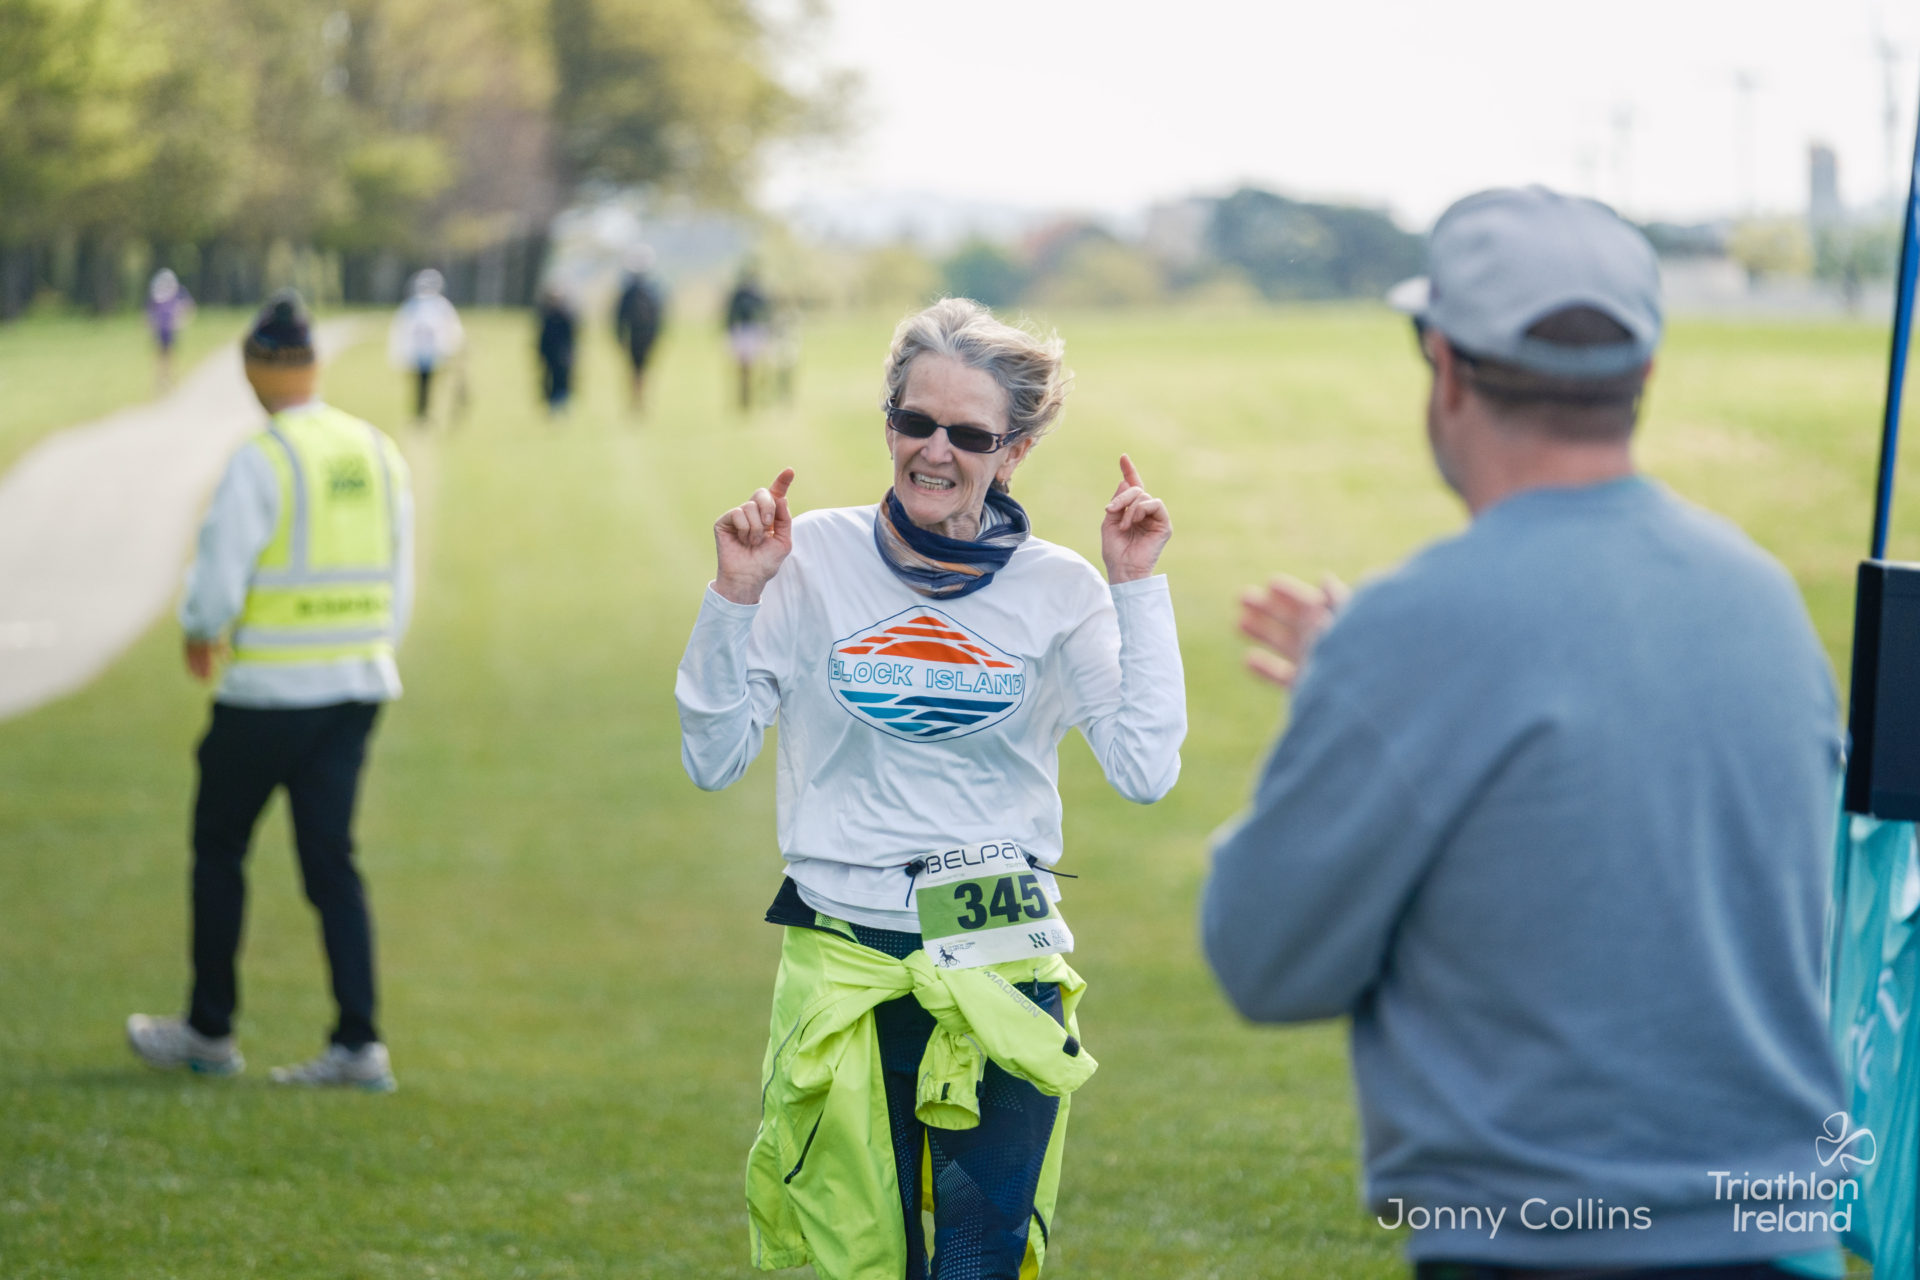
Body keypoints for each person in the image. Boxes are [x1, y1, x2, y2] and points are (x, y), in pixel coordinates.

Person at [1202, 186, 1847, 1278]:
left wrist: (1350, 694)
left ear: (1446, 364)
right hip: (1786, 1238)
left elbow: (1265, 960)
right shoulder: (1760, 594)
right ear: (1644, 373)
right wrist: (1369, 687)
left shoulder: (1413, 630)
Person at [676, 297, 1185, 1279]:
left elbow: (1145, 769)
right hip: (844, 961)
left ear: (1015, 450)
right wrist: (735, 594)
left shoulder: (1061, 587)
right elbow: (713, 756)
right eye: (916, 421)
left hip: (998, 953)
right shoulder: (807, 558)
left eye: (970, 433)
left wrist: (1136, 586)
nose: (935, 450)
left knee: (974, 1263)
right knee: (858, 1260)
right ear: (889, 424)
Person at [127, 289, 413, 1092]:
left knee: (220, 850)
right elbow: (399, 577)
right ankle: (358, 1043)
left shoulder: (264, 457)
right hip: (355, 688)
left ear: (255, 369)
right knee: (332, 862)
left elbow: (218, 582)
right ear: (315, 364)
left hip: (266, 694)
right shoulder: (375, 450)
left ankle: (209, 1031)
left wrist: (198, 629)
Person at [386, 268, 463, 424]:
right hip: (419, 354)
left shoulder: (436, 306)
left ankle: (423, 411)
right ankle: (421, 411)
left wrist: (451, 348)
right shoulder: (421, 306)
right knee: (421, 385)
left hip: (431, 353)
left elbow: (450, 329)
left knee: (426, 385)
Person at [613, 246, 665, 412]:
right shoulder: (629, 292)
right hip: (634, 336)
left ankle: (640, 401)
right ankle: (636, 401)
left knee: (642, 370)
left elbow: (658, 317)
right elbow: (620, 316)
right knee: (635, 370)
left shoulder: (651, 291)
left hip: (646, 336)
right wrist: (620, 336)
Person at [724, 262, 771, 411]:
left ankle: (758, 396)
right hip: (742, 332)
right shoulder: (739, 294)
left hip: (755, 331)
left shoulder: (757, 294)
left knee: (758, 368)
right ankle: (744, 398)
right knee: (743, 368)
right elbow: (731, 314)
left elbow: (765, 313)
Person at [146, 268, 195, 392]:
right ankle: (162, 381)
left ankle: (169, 380)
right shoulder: (158, 294)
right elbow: (150, 312)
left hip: (170, 329)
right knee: (161, 356)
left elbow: (189, 307)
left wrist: (181, 319)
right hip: (161, 329)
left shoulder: (177, 292)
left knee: (170, 356)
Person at [536, 286, 576, 418]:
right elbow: (542, 337)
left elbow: (571, 338)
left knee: (562, 380)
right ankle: (552, 405)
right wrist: (541, 353)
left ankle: (562, 404)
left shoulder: (566, 316)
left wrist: (569, 354)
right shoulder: (546, 316)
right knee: (548, 381)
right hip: (549, 355)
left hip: (562, 355)